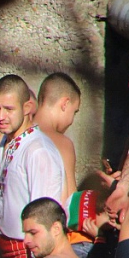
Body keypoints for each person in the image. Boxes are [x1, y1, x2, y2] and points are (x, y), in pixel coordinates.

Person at [0, 74, 64, 258]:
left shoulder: (38, 150)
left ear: (27, 107)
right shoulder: (6, 143)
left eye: (8, 109)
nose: (0, 116)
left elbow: (45, 214)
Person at [35, 72, 82, 202]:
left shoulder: (19, 136)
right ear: (65, 104)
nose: (72, 120)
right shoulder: (62, 144)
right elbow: (70, 199)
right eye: (74, 112)